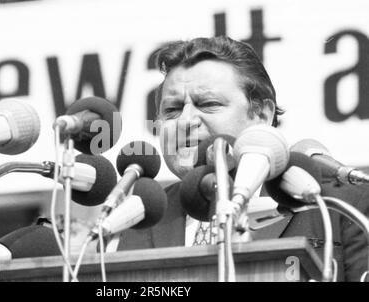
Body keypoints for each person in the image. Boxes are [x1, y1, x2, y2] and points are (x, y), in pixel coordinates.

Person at [117, 36, 369, 282]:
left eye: (208, 103)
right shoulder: (142, 214)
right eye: (172, 109)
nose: (185, 121)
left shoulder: (338, 204)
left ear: (261, 114)